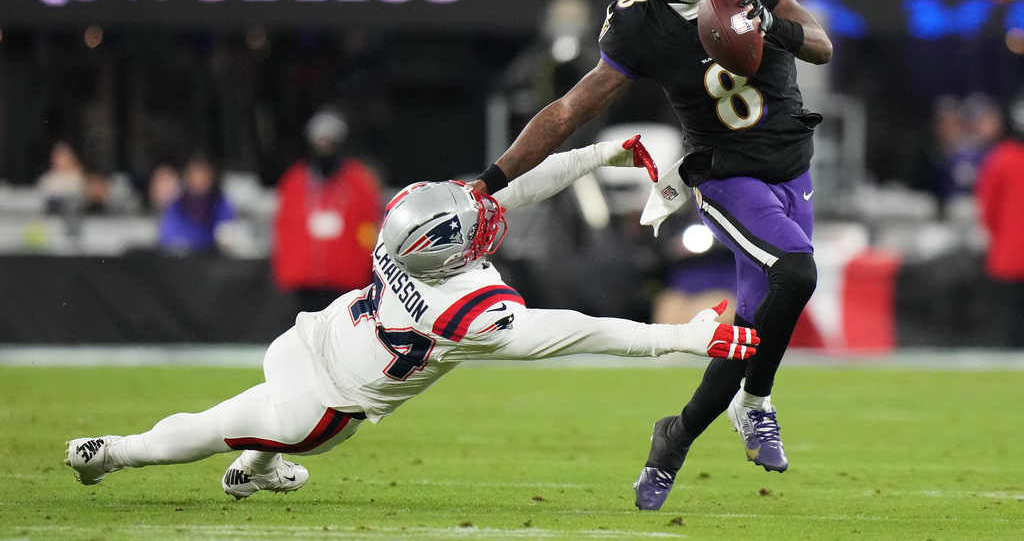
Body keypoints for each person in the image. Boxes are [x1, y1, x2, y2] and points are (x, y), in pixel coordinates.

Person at [65, 135, 759, 500]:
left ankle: (257, 470)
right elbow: (579, 330)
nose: (490, 224)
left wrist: (595, 155)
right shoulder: (463, 309)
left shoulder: (413, 222)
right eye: (477, 230)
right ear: (448, 255)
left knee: (247, 417)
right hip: (323, 407)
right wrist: (682, 336)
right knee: (222, 423)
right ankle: (115, 453)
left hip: (312, 334)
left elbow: (511, 190)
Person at [470, 0, 833, 511]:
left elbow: (821, 45)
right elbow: (568, 111)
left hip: (792, 167)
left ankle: (675, 438)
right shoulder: (639, 22)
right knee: (797, 273)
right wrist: (491, 181)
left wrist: (771, 25)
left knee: (748, 330)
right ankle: (757, 403)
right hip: (726, 175)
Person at [271, 109, 383, 314]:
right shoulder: (295, 180)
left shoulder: (358, 183)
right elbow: (284, 226)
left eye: (330, 143)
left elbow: (369, 226)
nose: (324, 148)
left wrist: (363, 261)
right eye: (320, 142)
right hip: (304, 277)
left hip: (345, 277)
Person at [974, 91, 1024, 348]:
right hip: (1009, 259)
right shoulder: (1001, 158)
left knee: (1010, 337)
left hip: (1008, 259)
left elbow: (987, 212)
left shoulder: (1000, 159)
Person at [158, 154, 236, 253]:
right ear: (188, 177)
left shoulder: (220, 204)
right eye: (195, 176)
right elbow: (167, 236)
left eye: (204, 177)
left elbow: (227, 235)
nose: (199, 181)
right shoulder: (176, 204)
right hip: (183, 260)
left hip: (213, 261)